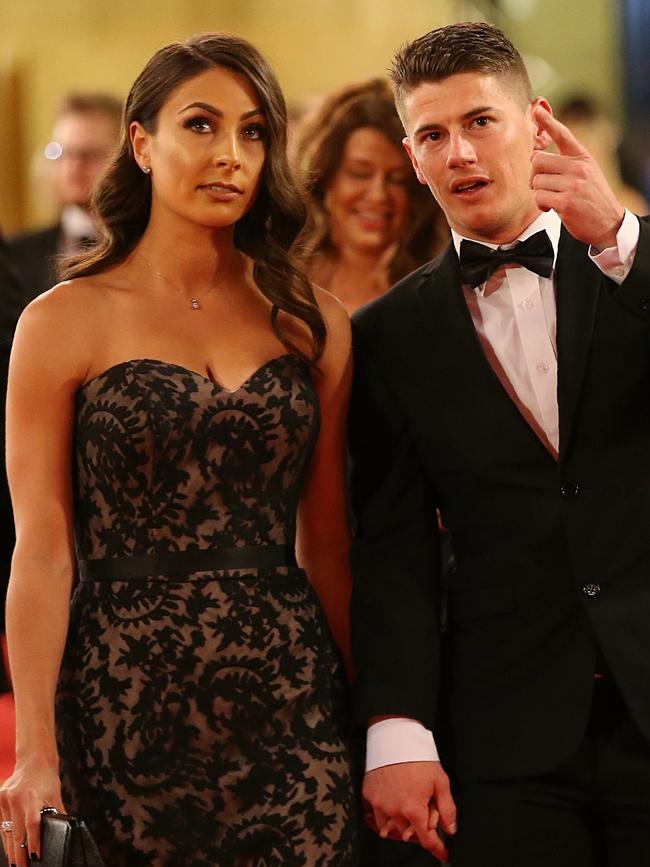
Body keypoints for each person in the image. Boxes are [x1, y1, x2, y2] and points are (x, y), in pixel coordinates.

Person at [0, 33, 358, 866]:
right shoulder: (61, 320)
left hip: (292, 706)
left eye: (254, 132)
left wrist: (374, 717)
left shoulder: (315, 320)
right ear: (141, 141)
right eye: (201, 125)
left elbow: (331, 544)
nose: (230, 155)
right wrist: (36, 753)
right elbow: (43, 553)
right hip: (121, 705)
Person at [349, 21, 650, 867]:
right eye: (433, 134)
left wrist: (623, 244)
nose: (460, 154)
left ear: (538, 124)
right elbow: (393, 545)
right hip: (506, 729)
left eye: (481, 121)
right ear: (413, 156)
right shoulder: (388, 335)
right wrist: (396, 729)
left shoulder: (633, 261)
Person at [294, 79, 447, 314]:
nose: (378, 195)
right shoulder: (279, 278)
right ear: (324, 178)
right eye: (360, 174)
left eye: (397, 179)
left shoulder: (438, 289)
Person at [8, 92, 122, 300]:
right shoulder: (13, 257)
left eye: (88, 155)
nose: (72, 167)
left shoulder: (148, 250)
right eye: (63, 153)